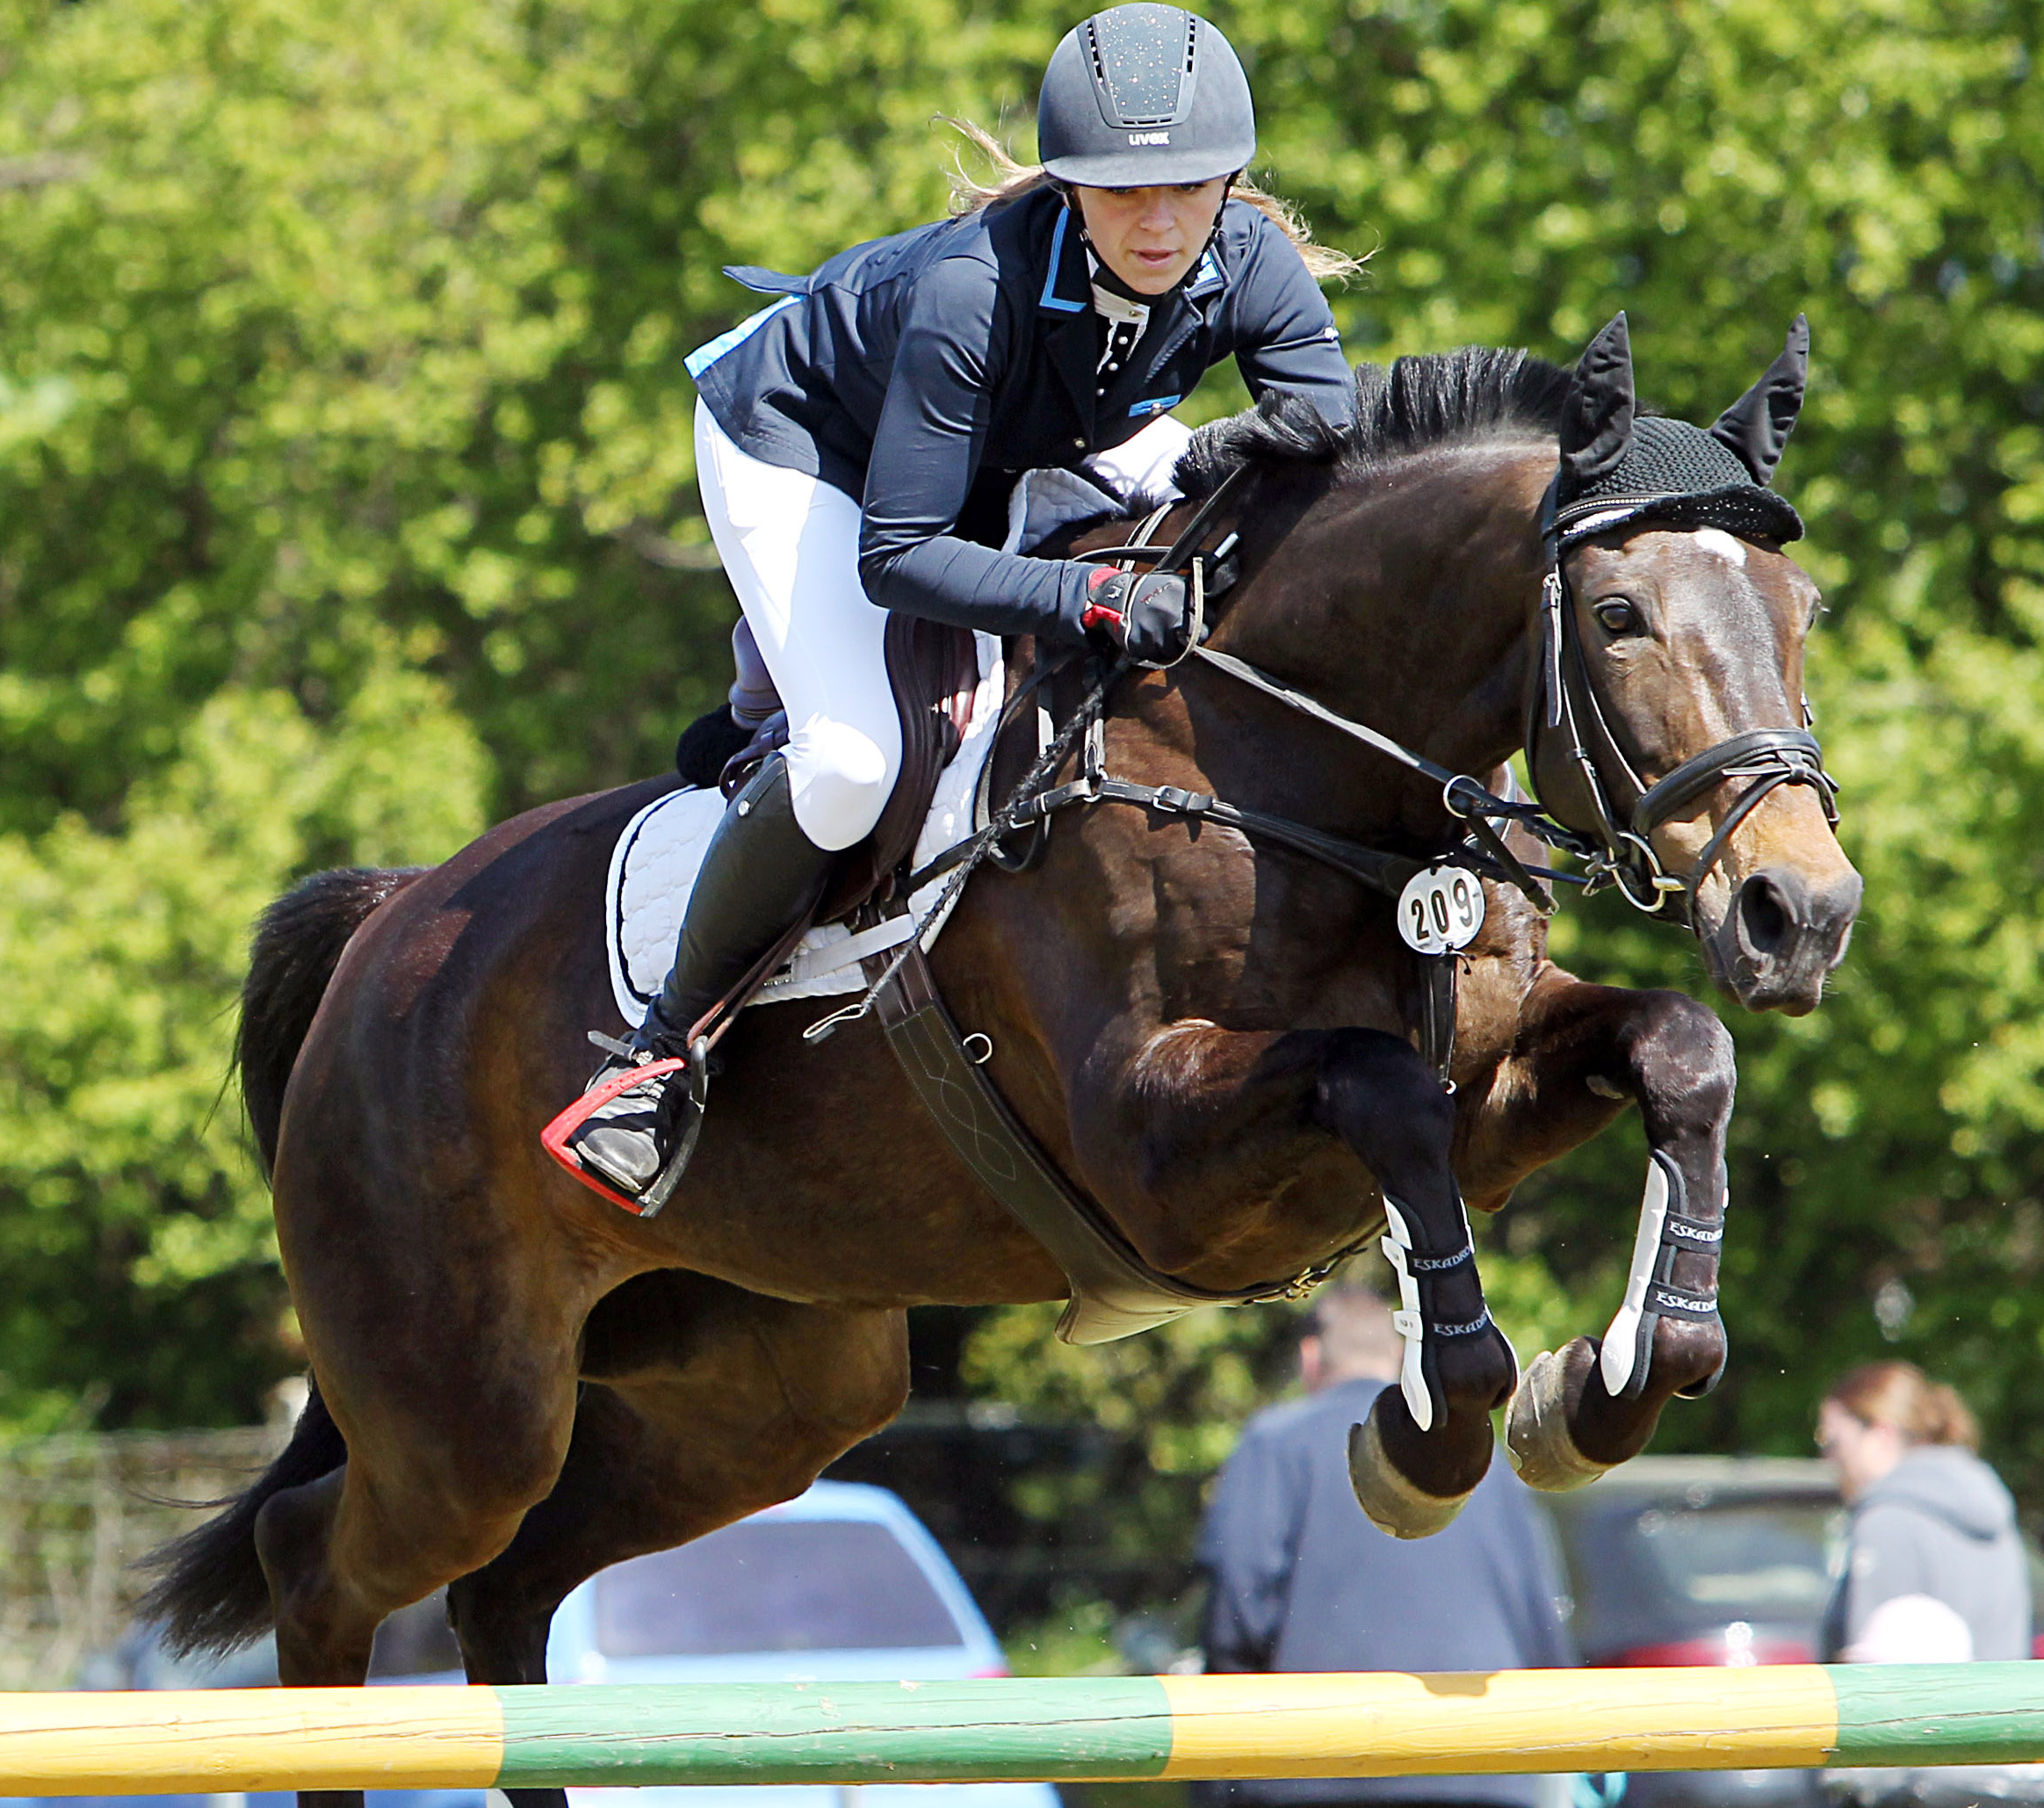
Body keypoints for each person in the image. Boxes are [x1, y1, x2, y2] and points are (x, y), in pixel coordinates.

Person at [553, 3, 1359, 1204]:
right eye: (1120, 192)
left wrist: (1221, 459)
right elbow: (902, 556)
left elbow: (1325, 425)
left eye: (1187, 189)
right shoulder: (971, 291)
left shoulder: (1248, 259)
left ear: (1230, 181)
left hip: (1032, 429)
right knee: (849, 764)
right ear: (1071, 188)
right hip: (805, 443)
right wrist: (1088, 599)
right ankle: (658, 1054)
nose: (1157, 222)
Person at [1195, 1279, 1575, 1808]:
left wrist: (1225, 1759)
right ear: (1399, 1356)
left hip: (1319, 1765)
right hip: (1482, 1761)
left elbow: (1238, 1608)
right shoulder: (1482, 1461)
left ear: (1310, 1357)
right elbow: (1541, 1614)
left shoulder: (1275, 1443)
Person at [1816, 1360, 2030, 1663]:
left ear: (1882, 1434)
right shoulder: (1993, 1512)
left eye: (1832, 1441)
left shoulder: (1887, 1522)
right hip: (2003, 1709)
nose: (1828, 1459)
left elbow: (1874, 1682)